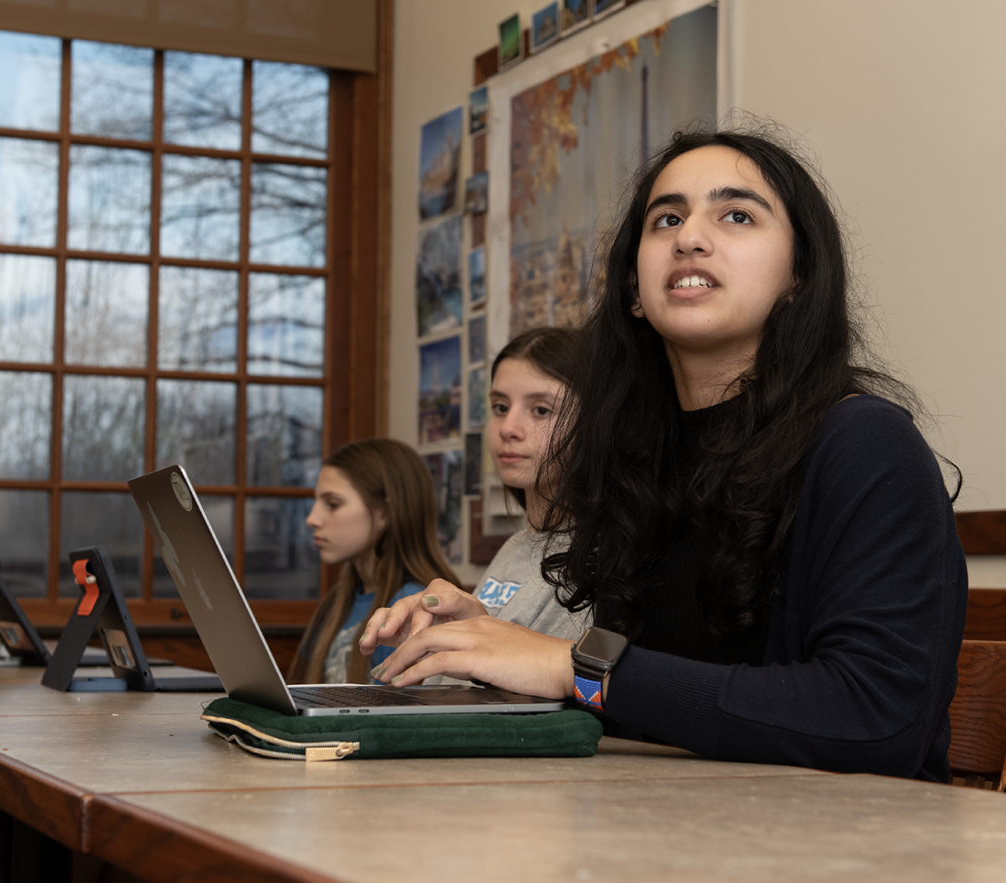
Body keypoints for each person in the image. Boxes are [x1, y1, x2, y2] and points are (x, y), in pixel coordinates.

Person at [361, 125, 967, 781]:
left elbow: (877, 719)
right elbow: (639, 707)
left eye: (737, 214)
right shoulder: (634, 463)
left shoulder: (867, 444)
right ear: (633, 289)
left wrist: (571, 663)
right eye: (667, 218)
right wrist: (494, 646)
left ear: (798, 275)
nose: (690, 236)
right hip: (658, 831)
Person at [438, 327, 584, 645]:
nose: (508, 428)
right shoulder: (517, 545)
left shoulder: (593, 560)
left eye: (541, 410)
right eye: (501, 407)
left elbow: (579, 687)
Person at [289, 438, 462, 684]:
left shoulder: (413, 610)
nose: (312, 519)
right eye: (316, 502)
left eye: (332, 504)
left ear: (384, 513)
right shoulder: (338, 601)